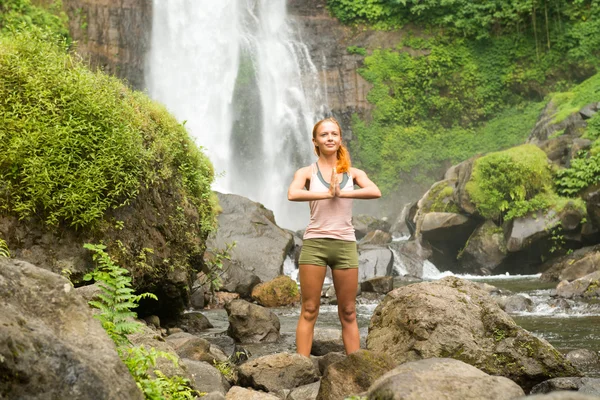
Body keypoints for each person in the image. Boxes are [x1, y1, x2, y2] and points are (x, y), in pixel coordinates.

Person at [287, 117, 381, 357]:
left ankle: (356, 367)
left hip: (345, 245)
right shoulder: (307, 172)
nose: (329, 138)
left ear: (340, 140)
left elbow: (374, 191)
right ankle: (301, 366)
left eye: (334, 134)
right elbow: (292, 194)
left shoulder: (352, 173)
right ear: (315, 141)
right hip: (315, 244)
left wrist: (342, 192)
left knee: (349, 311)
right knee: (309, 309)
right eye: (324, 134)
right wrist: (327, 195)